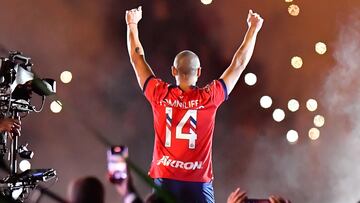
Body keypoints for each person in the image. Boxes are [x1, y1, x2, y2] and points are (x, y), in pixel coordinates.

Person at [126, 5, 263, 203]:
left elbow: (137, 59)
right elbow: (239, 64)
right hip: (198, 181)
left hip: (165, 178)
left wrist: (132, 24)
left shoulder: (159, 94)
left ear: (173, 71)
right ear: (199, 72)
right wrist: (253, 29)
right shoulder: (210, 97)